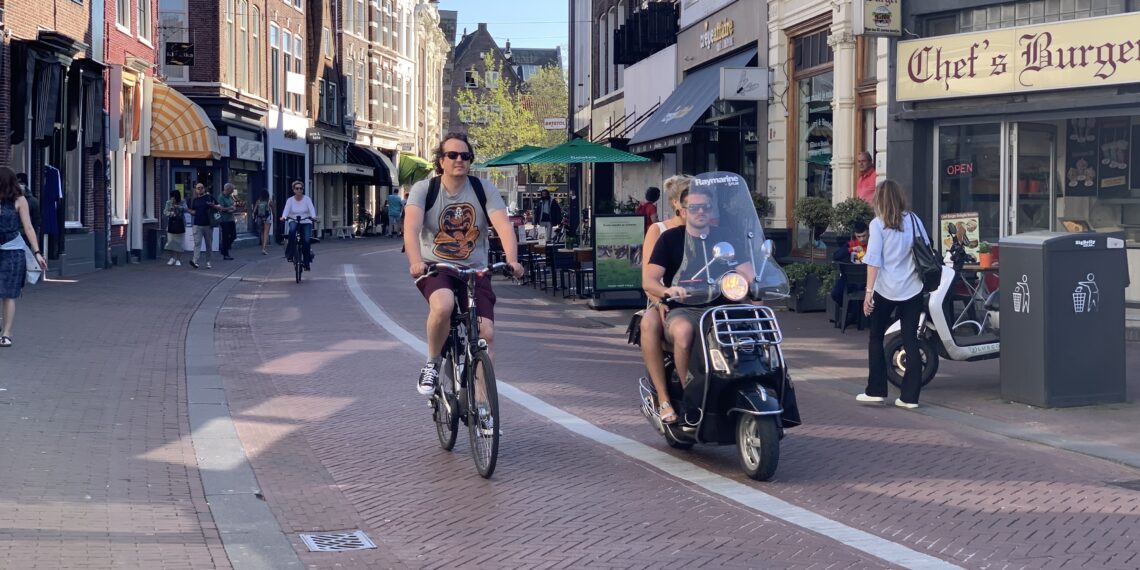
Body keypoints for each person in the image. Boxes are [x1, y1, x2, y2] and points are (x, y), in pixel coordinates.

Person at [404, 133, 524, 396]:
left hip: (474, 269)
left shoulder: (483, 189)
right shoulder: (425, 189)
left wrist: (512, 259)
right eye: (453, 155)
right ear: (441, 161)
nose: (460, 160)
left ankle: (484, 410)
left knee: (486, 332)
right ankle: (433, 363)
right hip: (436, 267)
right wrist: (415, 262)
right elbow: (411, 228)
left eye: (465, 156)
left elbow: (503, 226)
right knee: (444, 305)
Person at [643, 183, 753, 400]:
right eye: (694, 208)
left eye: (705, 207)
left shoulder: (726, 237)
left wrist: (754, 284)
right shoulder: (670, 238)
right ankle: (691, 396)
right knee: (684, 333)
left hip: (722, 306)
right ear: (682, 211)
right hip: (685, 307)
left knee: (759, 328)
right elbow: (649, 280)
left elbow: (747, 272)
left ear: (711, 209)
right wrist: (668, 290)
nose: (700, 212)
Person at [859, 179, 929, 409]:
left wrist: (868, 293)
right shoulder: (915, 220)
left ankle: (876, 390)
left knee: (876, 336)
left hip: (885, 289)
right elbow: (925, 248)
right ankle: (910, 397)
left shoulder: (877, 225)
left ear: (878, 200)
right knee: (911, 339)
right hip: (912, 288)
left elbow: (873, 261)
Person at [638, 175, 691, 424]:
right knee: (649, 324)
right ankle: (663, 397)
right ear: (677, 203)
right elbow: (649, 278)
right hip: (663, 298)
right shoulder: (659, 231)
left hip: (699, 298)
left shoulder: (706, 229)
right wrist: (660, 301)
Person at [0, 167, 49, 347]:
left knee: (9, 293)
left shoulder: (20, 200)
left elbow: (28, 227)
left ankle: (6, 333)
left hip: (13, 251)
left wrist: (37, 252)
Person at [280, 180, 317, 270]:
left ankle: (307, 262)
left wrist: (313, 217)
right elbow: (286, 210)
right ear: (293, 190)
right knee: (292, 231)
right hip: (294, 220)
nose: (299, 190)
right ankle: (290, 253)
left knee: (306, 241)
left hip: (306, 221)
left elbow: (312, 209)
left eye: (301, 188)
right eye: (297, 188)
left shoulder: (307, 199)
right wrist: (284, 217)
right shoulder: (290, 200)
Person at [830, 221, 870, 303]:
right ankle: (850, 310)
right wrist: (851, 249)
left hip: (866, 279)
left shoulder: (872, 244)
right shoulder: (852, 244)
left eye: (864, 236)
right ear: (855, 235)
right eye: (859, 236)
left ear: (868, 233)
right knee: (835, 293)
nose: (862, 239)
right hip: (849, 278)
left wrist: (865, 254)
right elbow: (836, 256)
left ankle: (853, 312)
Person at [186, 182, 220, 269]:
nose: (200, 189)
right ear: (195, 190)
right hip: (197, 225)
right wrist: (188, 210)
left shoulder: (209, 197)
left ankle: (208, 262)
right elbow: (194, 212)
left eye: (201, 187)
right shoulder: (194, 200)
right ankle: (195, 261)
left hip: (208, 225)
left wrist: (213, 205)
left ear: (204, 189)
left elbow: (219, 206)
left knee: (208, 244)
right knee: (197, 243)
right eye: (198, 188)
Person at [15, 173, 40, 250]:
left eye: (22, 183)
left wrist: (34, 238)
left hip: (25, 235)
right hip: (12, 236)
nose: (20, 185)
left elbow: (36, 221)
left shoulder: (33, 201)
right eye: (18, 183)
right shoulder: (10, 199)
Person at [164, 190, 188, 266]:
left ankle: (178, 259)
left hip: (180, 224)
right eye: (172, 198)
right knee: (170, 242)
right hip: (171, 224)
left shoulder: (182, 201)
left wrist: (178, 207)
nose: (173, 199)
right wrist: (170, 213)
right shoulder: (168, 202)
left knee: (179, 243)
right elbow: (165, 212)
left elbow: (186, 209)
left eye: (174, 198)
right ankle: (172, 258)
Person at [217, 183, 238, 260]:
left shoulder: (230, 197)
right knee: (225, 237)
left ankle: (223, 249)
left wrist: (234, 208)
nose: (233, 191)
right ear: (228, 189)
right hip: (224, 220)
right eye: (232, 190)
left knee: (233, 236)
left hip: (231, 218)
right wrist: (229, 208)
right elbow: (221, 208)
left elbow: (233, 205)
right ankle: (226, 254)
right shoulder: (221, 197)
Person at [252, 189, 273, 255]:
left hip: (260, 218)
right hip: (267, 218)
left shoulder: (258, 201)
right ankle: (264, 248)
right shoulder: (269, 201)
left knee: (262, 232)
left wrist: (254, 218)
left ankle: (262, 247)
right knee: (266, 233)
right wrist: (274, 217)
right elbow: (273, 210)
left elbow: (254, 211)